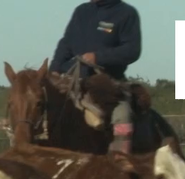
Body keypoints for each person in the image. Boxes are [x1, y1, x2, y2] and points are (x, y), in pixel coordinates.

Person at [51, 0, 141, 154]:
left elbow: (132, 50)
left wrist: (98, 58)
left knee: (122, 115)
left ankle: (120, 162)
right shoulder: (81, 11)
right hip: (74, 81)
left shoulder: (126, 13)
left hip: (109, 84)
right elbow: (66, 43)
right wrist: (54, 69)